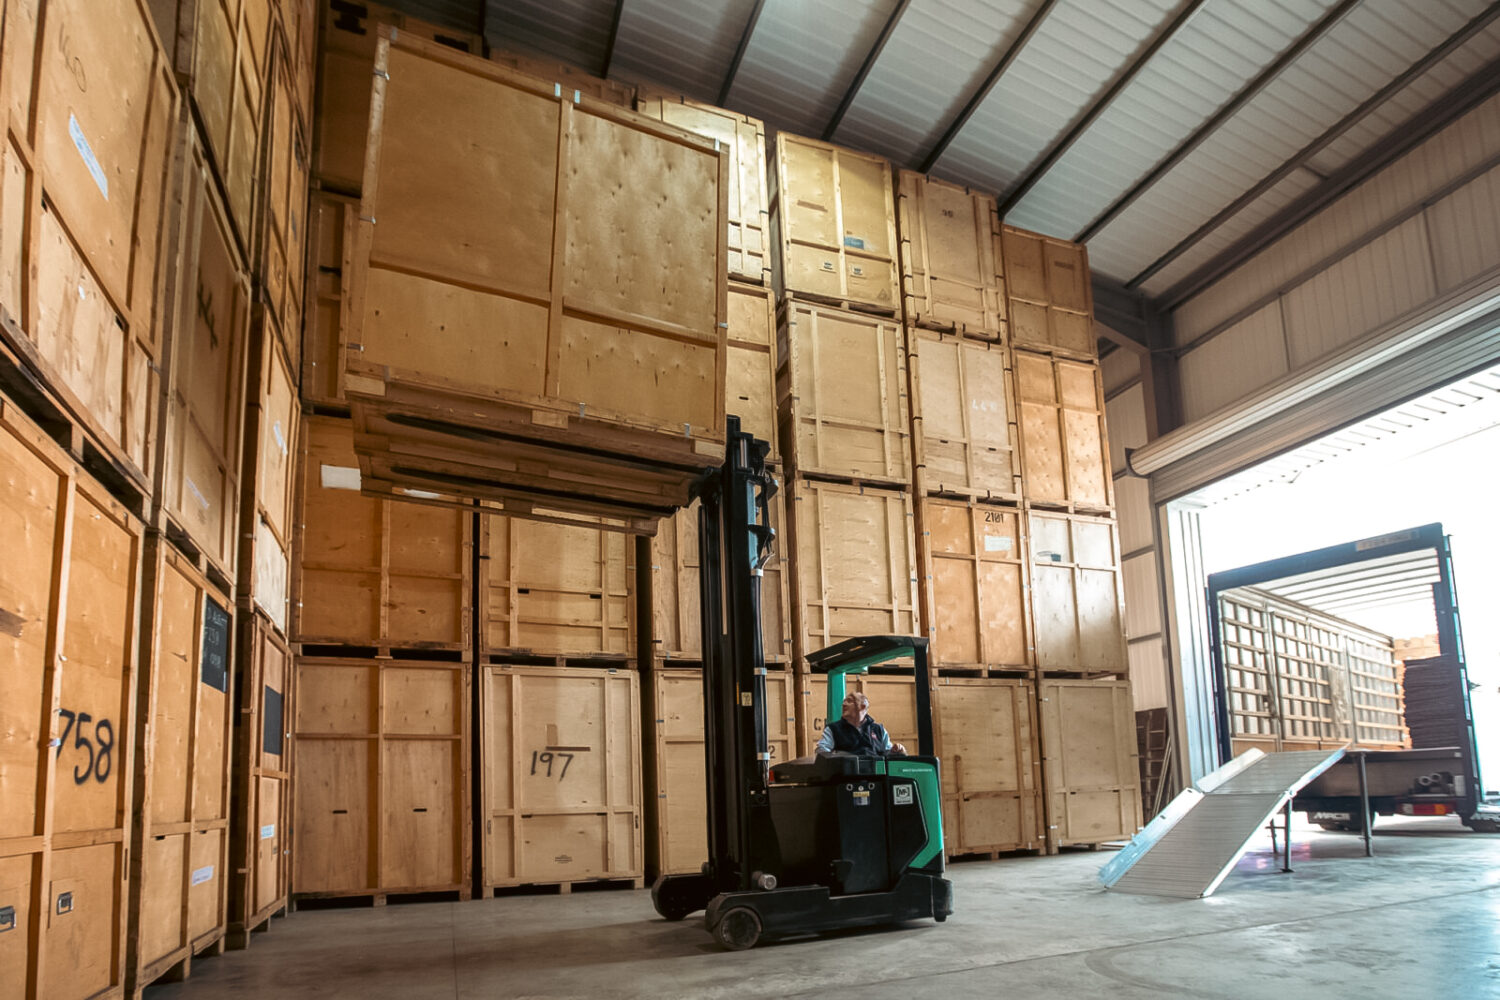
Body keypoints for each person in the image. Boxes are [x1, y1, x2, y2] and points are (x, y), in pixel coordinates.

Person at [816, 690, 907, 757]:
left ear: (862, 707)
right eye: (844, 701)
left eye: (849, 701)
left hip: (877, 777)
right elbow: (821, 751)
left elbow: (887, 754)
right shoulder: (833, 729)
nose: (844, 704)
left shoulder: (879, 729)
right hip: (846, 777)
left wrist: (896, 751)